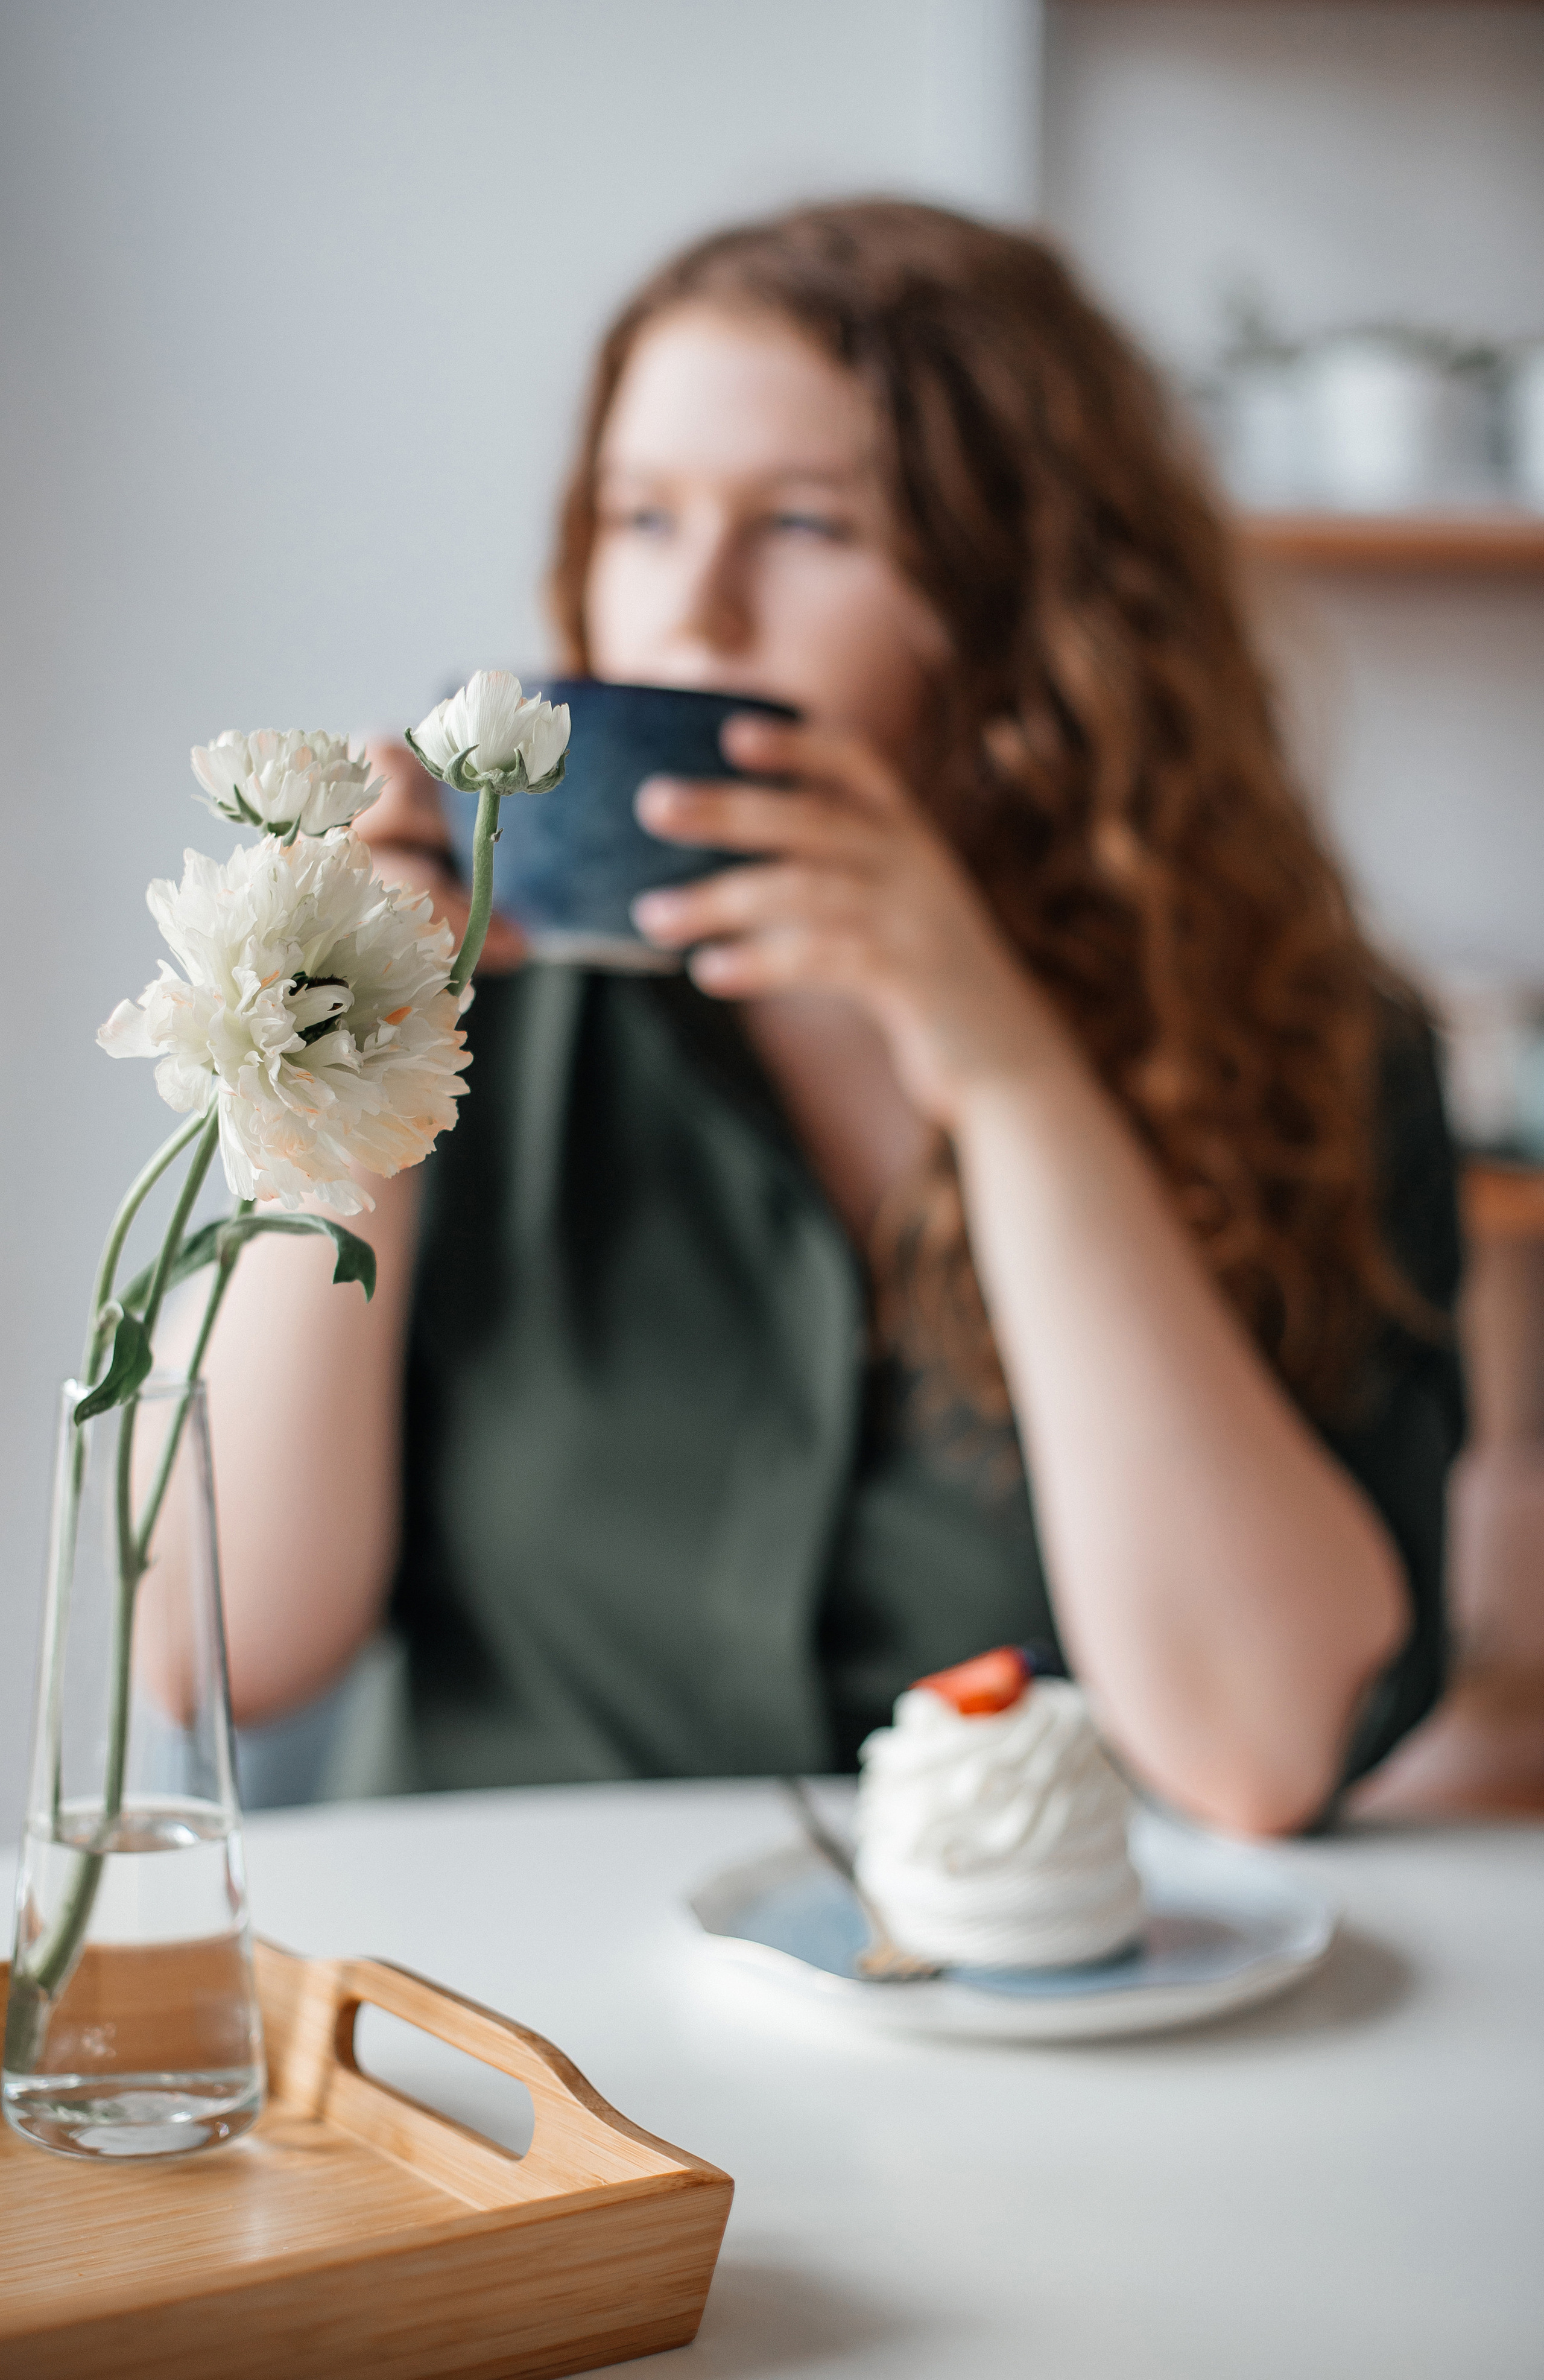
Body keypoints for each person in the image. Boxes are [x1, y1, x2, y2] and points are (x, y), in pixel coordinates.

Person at [197, 201, 1463, 1836]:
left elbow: (1256, 1748)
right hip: (498, 2037)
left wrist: (1002, 1063)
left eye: (806, 527)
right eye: (641, 518)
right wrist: (349, 1083)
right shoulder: (468, 1017)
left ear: (1029, 610)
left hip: (1019, 2039)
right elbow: (218, 1660)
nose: (694, 612)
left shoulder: (1315, 1048)